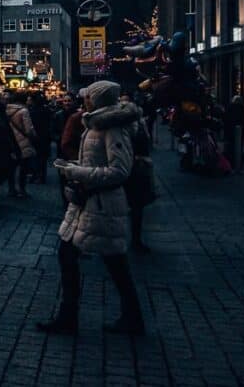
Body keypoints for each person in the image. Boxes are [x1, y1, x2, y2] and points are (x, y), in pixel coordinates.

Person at [38, 80, 145, 336]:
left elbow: (119, 170)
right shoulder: (95, 123)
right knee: (84, 256)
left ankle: (75, 317)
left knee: (111, 261)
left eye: (88, 97)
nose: (83, 99)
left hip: (101, 203)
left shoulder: (111, 129)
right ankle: (75, 315)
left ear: (98, 100)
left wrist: (77, 171)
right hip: (87, 202)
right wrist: (75, 166)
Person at [120, 92, 154, 253]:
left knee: (120, 206)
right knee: (136, 206)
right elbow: (146, 146)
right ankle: (136, 239)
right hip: (137, 168)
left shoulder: (116, 127)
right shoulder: (139, 126)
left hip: (123, 169)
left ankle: (124, 239)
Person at [4, 93, 36, 198]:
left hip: (10, 141)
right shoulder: (24, 111)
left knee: (11, 167)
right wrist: (33, 136)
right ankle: (22, 189)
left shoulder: (6, 110)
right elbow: (29, 129)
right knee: (23, 167)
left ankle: (11, 189)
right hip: (23, 141)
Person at [28, 93, 52, 184]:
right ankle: (41, 176)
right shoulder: (46, 110)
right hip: (45, 136)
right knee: (42, 158)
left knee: (36, 157)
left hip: (36, 136)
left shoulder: (32, 111)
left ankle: (36, 176)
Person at [224, 95, 244, 173]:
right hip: (238, 132)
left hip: (230, 132)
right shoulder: (240, 108)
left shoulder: (229, 108)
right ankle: (238, 164)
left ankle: (231, 163)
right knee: (238, 148)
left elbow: (225, 119)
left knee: (231, 147)